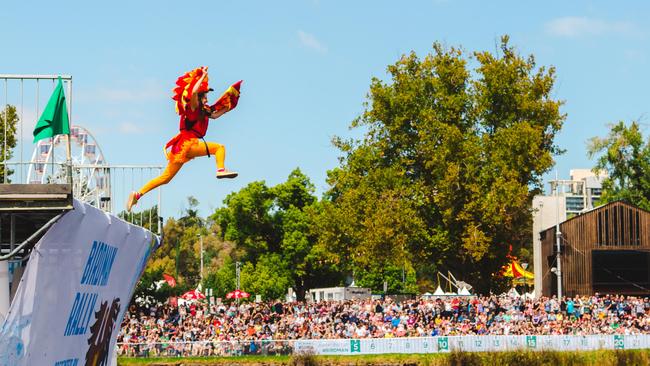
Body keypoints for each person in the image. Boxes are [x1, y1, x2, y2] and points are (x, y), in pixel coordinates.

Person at [127, 66, 242, 211]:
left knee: (165, 178)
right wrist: (203, 76)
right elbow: (193, 91)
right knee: (220, 148)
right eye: (205, 95)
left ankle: (137, 195)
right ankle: (220, 169)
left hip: (180, 147)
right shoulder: (193, 107)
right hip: (189, 144)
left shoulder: (203, 110)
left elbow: (215, 115)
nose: (207, 98)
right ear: (199, 97)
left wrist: (230, 105)